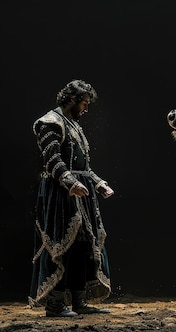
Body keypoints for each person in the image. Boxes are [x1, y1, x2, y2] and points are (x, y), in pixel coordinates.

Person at [28, 80, 115, 317]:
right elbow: (52, 160)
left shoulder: (73, 124)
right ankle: (55, 305)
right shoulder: (51, 123)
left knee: (84, 245)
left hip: (81, 193)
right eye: (84, 103)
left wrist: (98, 183)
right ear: (72, 100)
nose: (86, 108)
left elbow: (83, 165)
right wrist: (70, 182)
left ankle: (79, 301)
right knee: (64, 244)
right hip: (60, 192)